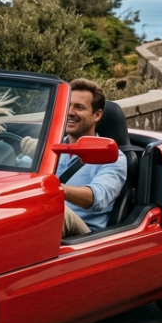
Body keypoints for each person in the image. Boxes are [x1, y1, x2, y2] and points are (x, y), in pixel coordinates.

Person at [57, 78, 127, 237]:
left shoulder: (113, 157)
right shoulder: (52, 148)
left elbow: (98, 197)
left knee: (60, 214)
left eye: (79, 107)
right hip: (43, 214)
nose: (70, 112)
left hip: (83, 233)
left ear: (97, 115)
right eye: (68, 105)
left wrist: (54, 188)